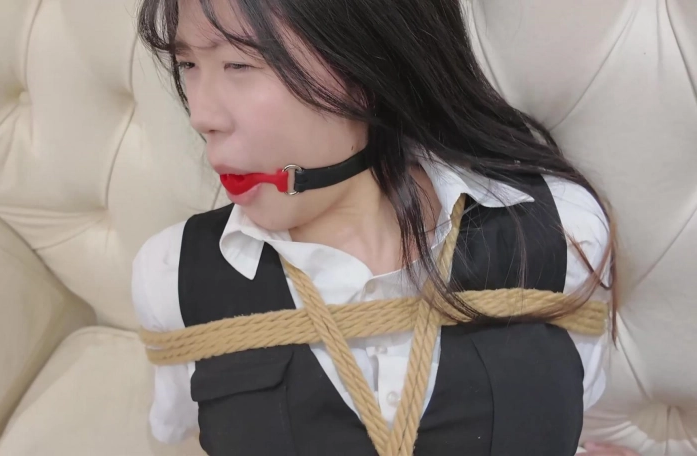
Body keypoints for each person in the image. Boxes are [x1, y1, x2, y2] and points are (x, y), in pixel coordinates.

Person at [131, 0, 637, 454]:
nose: (201, 115)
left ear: (367, 63)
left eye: (239, 63)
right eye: (188, 65)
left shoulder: (563, 233)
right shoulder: (172, 277)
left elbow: (572, 404)